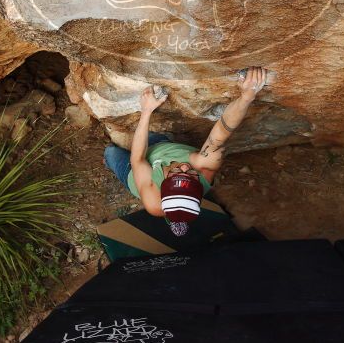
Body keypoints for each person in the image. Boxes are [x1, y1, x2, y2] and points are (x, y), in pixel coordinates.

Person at [104, 67, 269, 236]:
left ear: (162, 185)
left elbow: (137, 159)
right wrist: (247, 97)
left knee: (112, 154)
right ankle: (158, 139)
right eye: (191, 174)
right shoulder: (204, 168)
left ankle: (108, 155)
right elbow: (222, 130)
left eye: (175, 172)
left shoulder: (153, 202)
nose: (184, 167)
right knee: (154, 137)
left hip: (133, 171)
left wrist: (146, 111)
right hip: (162, 146)